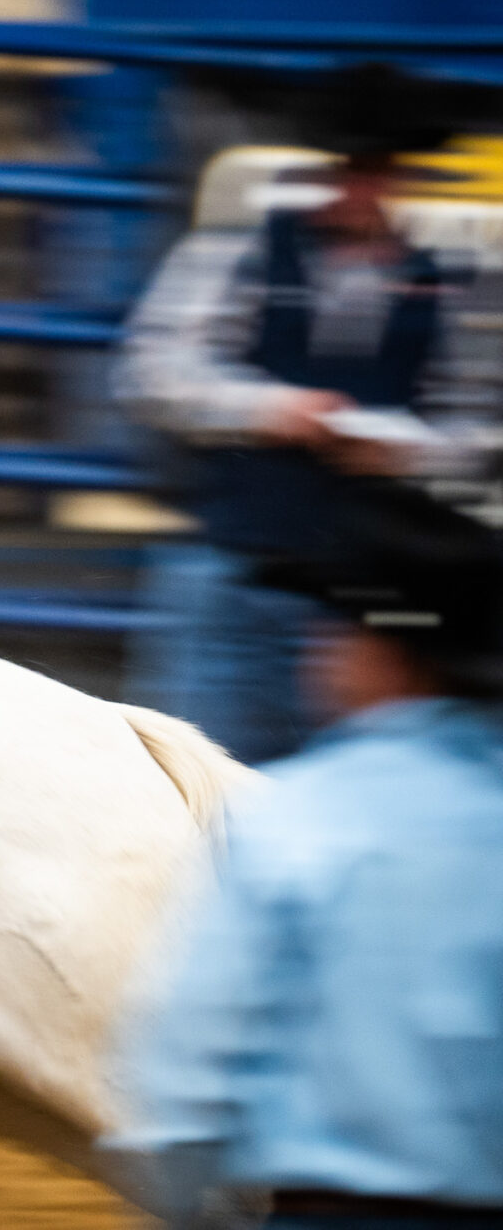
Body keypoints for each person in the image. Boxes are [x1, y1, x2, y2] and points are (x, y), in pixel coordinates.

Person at [107, 478, 503, 1228]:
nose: (317, 645)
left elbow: (193, 1063)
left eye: (336, 627)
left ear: (388, 652)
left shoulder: (300, 817)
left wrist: (180, 1194)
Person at [117, 67, 503, 764]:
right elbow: (152, 370)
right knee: (194, 781)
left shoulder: (457, 282)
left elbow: (478, 429)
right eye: (345, 169)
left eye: (374, 169)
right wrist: (273, 409)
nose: (356, 188)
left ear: (400, 175)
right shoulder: (238, 253)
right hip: (240, 568)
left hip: (362, 603)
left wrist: (406, 450)